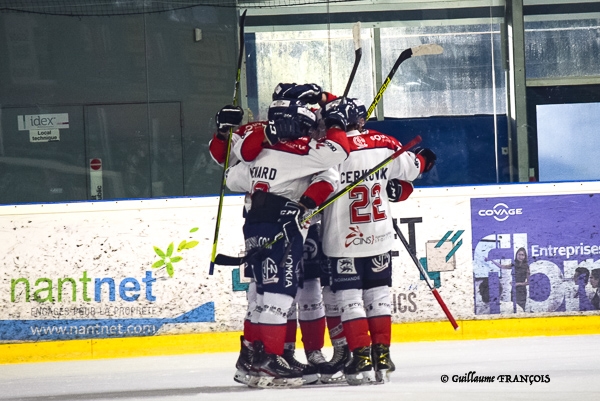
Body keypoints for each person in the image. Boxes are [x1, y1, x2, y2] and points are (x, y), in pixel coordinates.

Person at [225, 97, 352, 388]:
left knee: (259, 295)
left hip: (255, 223)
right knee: (279, 297)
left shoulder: (257, 154)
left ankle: (252, 360)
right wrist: (336, 122)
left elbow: (232, 177)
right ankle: (270, 360)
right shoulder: (302, 153)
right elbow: (339, 150)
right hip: (282, 226)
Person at [320, 97, 437, 385]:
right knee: (378, 296)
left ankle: (360, 355)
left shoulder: (328, 150)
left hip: (341, 238)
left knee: (350, 298)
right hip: (379, 236)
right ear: (359, 120)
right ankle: (382, 356)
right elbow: (415, 168)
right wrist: (422, 159)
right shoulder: (384, 142)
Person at [486, 247, 530, 312]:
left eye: (522, 255)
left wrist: (517, 284)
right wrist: (491, 260)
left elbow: (528, 282)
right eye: (519, 254)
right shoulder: (513, 264)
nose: (520, 256)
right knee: (513, 309)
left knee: (521, 309)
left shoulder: (526, 266)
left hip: (522, 291)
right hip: (514, 290)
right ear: (516, 255)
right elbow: (501, 266)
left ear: (525, 256)